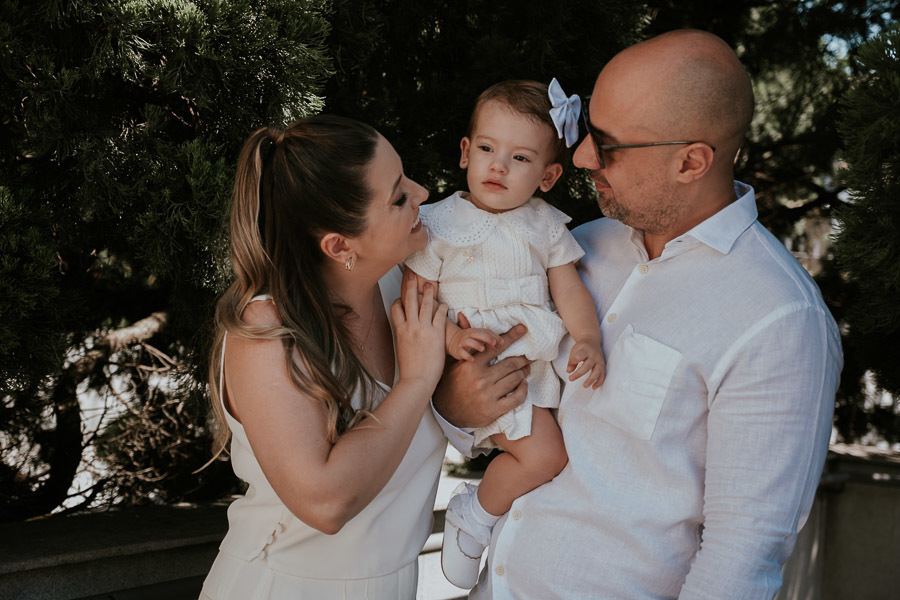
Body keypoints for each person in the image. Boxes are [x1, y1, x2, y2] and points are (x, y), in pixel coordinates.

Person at [433, 29, 843, 599]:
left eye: (607, 143)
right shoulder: (577, 246)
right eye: (587, 131)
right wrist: (453, 403)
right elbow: (496, 407)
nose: (581, 156)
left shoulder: (780, 319)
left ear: (691, 161)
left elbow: (741, 559)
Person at [200, 114, 492, 599]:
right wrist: (416, 382)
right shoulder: (269, 330)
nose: (421, 193)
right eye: (398, 198)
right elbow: (325, 502)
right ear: (340, 246)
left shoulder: (409, 292)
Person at [404, 79, 605, 588]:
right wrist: (451, 339)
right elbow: (416, 301)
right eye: (488, 149)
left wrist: (588, 337)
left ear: (548, 176)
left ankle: (486, 517)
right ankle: (474, 515)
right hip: (468, 366)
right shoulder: (437, 223)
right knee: (546, 456)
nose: (498, 166)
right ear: (465, 152)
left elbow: (569, 289)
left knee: (549, 458)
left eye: (520, 158)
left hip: (527, 368)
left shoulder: (547, 226)